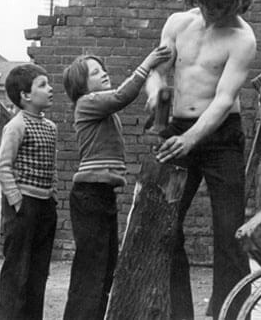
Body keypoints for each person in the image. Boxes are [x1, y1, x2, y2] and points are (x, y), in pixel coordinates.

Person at [144, 0, 257, 319]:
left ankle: (229, 312)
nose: (208, 10)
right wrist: (156, 99)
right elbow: (156, 73)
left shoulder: (242, 38)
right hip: (177, 131)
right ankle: (181, 314)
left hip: (221, 137)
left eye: (217, 4)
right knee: (166, 227)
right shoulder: (178, 24)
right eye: (203, 2)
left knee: (229, 233)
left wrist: (191, 139)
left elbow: (224, 100)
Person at [61, 45, 172, 320]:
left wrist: (153, 113)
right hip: (89, 194)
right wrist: (146, 64)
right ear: (81, 85)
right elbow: (122, 95)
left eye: (103, 70)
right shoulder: (87, 103)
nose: (104, 74)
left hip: (101, 194)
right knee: (92, 266)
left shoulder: (103, 112)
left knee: (107, 262)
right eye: (95, 73)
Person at [0, 63, 58, 320]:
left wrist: (51, 195)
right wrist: (17, 201)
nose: (50, 89)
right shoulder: (16, 126)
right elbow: (2, 167)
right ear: (25, 96)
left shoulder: (50, 127)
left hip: (44, 207)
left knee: (38, 271)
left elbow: (50, 166)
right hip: (23, 208)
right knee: (16, 272)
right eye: (42, 85)